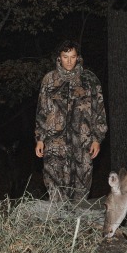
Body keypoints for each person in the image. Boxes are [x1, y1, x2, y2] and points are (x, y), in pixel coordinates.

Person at [34, 40, 108, 201]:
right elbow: (42, 111)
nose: (69, 61)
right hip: (55, 144)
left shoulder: (89, 80)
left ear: (78, 58)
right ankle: (58, 222)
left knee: (82, 186)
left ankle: (77, 223)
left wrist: (97, 139)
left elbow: (99, 112)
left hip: (82, 143)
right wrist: (40, 139)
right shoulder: (49, 80)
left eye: (72, 57)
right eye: (65, 56)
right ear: (59, 58)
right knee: (54, 185)